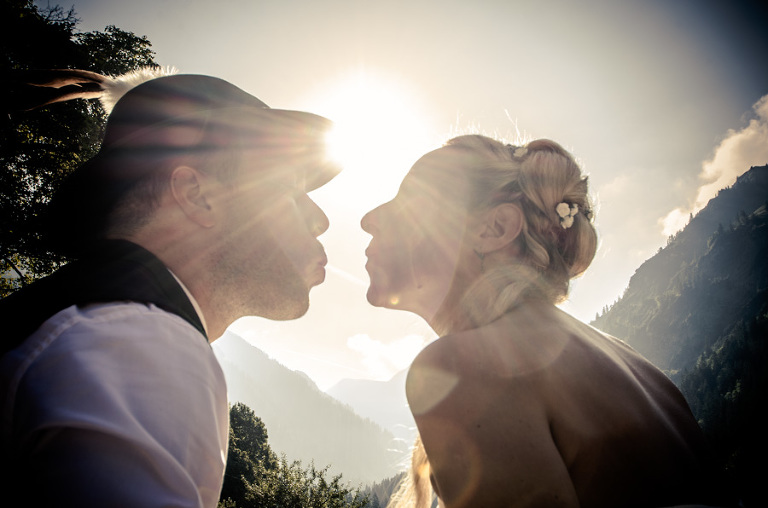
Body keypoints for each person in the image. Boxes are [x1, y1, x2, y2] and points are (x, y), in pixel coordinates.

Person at [0, 69, 341, 506]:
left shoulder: (84, 320)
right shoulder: (136, 342)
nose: (321, 219)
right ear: (196, 195)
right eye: (290, 189)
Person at [361, 135, 733, 508]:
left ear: (495, 228)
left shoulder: (471, 366)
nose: (369, 219)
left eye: (412, 200)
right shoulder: (642, 371)